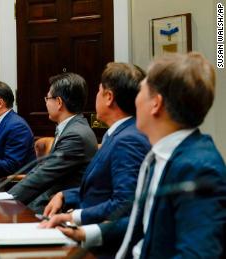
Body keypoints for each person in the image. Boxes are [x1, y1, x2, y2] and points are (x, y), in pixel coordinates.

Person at [42, 52, 226, 258]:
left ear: (155, 104)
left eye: (141, 91)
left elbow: (197, 254)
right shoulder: (162, 154)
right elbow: (143, 221)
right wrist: (85, 232)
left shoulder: (198, 167)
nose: (134, 100)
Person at [41, 63, 150, 226]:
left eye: (99, 90)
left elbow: (124, 204)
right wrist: (65, 195)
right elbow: (103, 190)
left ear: (109, 97)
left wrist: (76, 217)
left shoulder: (128, 140)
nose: (95, 96)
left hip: (102, 239)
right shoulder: (115, 133)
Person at [8, 73, 98, 213]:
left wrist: (5, 201)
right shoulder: (70, 128)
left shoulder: (75, 135)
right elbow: (40, 170)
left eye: (48, 98)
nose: (46, 102)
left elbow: (43, 176)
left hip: (60, 209)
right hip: (48, 203)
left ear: (59, 102)